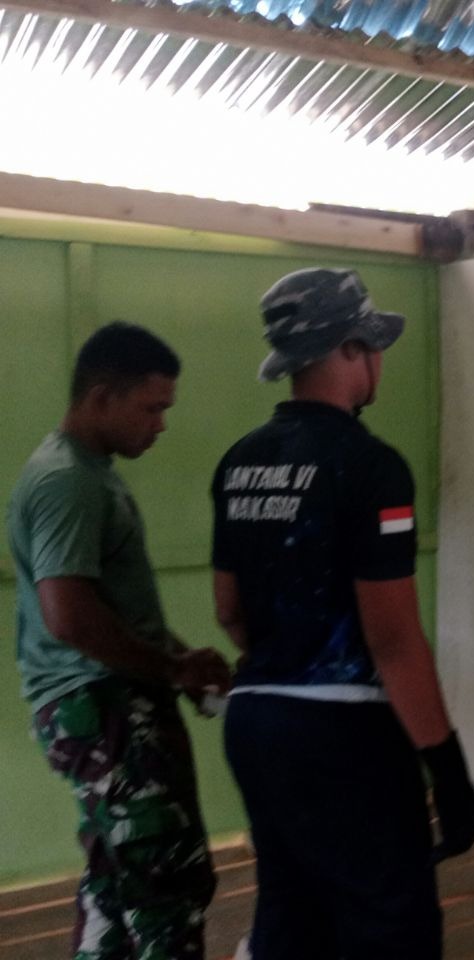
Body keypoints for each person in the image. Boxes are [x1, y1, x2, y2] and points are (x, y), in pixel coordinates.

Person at [210, 268, 474, 960]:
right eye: (374, 344)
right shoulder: (371, 466)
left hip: (255, 725)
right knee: (391, 927)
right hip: (345, 737)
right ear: (352, 348)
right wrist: (448, 770)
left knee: (291, 916)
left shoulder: (239, 461)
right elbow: (393, 640)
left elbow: (229, 610)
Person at [7, 321, 231, 959]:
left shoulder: (87, 470)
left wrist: (180, 658)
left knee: (115, 885)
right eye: (151, 408)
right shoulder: (67, 481)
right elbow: (70, 615)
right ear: (102, 396)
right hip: (104, 709)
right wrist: (169, 669)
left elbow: (106, 606)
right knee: (166, 888)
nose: (160, 425)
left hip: (102, 708)